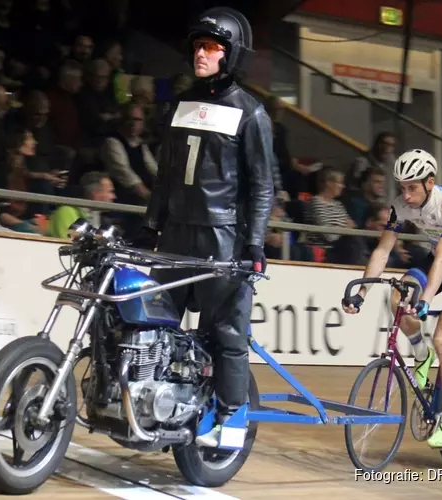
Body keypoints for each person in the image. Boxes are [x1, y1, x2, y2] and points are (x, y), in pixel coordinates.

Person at [132, 7, 274, 448]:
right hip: (176, 233)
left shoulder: (251, 113)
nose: (201, 54)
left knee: (228, 331)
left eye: (212, 47)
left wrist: (253, 243)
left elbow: (263, 187)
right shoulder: (178, 105)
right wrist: (151, 224)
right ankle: (162, 408)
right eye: (198, 45)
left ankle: (233, 416)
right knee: (158, 325)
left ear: (231, 55)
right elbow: (165, 174)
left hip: (222, 237)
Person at [340, 149, 442, 449]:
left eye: (412, 188)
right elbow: (382, 251)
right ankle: (422, 353)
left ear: (430, 183)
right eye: (401, 187)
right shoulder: (400, 206)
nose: (405, 196)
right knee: (397, 297)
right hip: (436, 261)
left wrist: (426, 300)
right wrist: (362, 292)